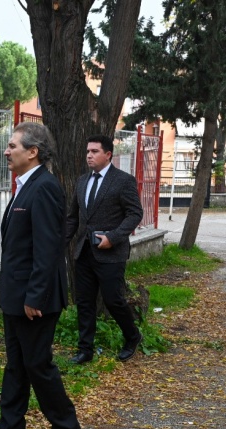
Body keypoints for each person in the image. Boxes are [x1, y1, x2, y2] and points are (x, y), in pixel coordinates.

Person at [0, 122, 82, 429]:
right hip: (16, 295)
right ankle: (11, 424)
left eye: (12, 146)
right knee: (17, 363)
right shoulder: (26, 185)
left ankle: (66, 426)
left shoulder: (44, 187)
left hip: (35, 299)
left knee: (37, 364)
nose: (6, 151)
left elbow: (48, 249)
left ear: (33, 152)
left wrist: (35, 296)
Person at [65, 135, 144, 363]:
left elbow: (135, 214)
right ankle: (85, 350)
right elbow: (73, 218)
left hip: (111, 253)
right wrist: (58, 244)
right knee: (84, 302)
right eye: (87, 151)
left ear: (108, 155)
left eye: (94, 151)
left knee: (113, 300)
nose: (89, 155)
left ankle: (132, 336)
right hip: (84, 252)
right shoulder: (82, 181)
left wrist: (113, 237)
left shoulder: (123, 181)